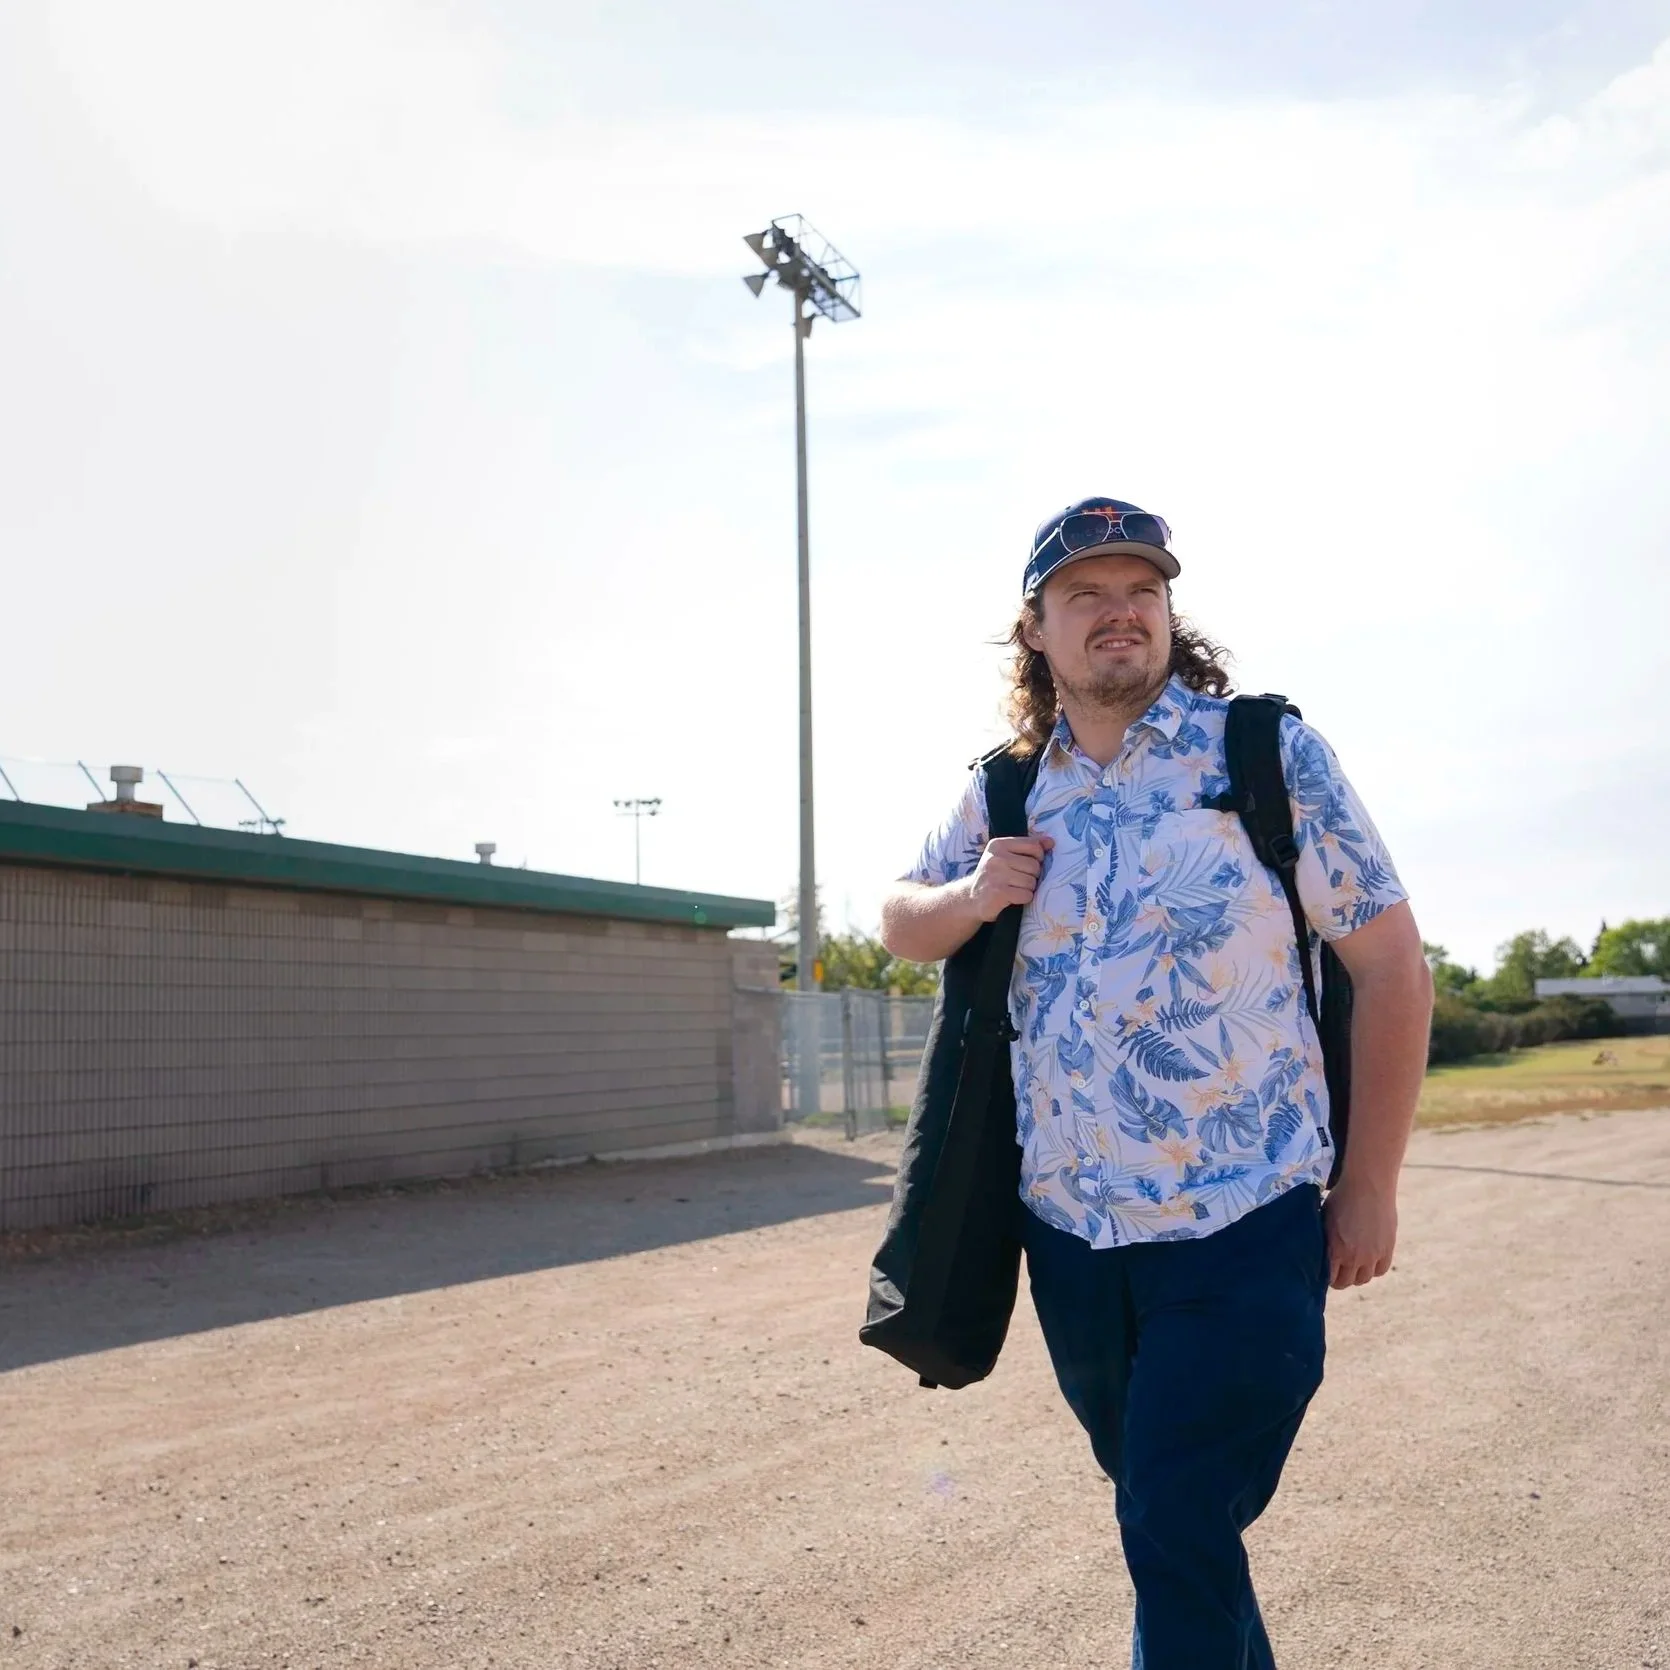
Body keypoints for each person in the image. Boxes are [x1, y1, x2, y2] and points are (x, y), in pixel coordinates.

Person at [879, 497, 1434, 1669]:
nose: (1117, 612)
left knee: (1173, 1513)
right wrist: (973, 894)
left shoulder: (1260, 754)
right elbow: (899, 920)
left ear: (1169, 613)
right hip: (1071, 1235)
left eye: (1140, 590)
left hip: (1244, 1217)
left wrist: (1369, 1182)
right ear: (1034, 629)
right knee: (1170, 1527)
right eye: (1084, 594)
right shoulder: (1007, 792)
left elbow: (1386, 965)